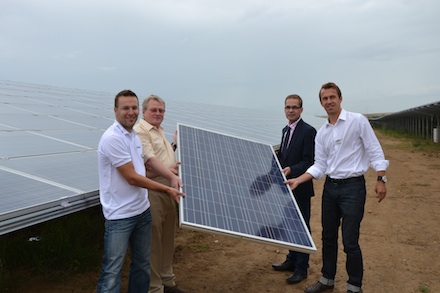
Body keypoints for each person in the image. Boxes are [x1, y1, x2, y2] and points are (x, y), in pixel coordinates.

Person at [285, 82, 389, 293]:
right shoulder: (322, 132)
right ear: (321, 103)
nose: (329, 101)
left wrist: (381, 178)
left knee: (350, 241)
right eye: (325, 99)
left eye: (332, 97)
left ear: (340, 99)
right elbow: (319, 165)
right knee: (328, 237)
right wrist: (299, 179)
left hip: (353, 188)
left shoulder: (357, 121)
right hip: (330, 189)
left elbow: (374, 149)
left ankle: (354, 286)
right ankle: (327, 279)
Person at [97, 90, 185, 293]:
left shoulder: (133, 136)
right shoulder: (114, 138)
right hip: (121, 214)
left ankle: (158, 284)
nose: (130, 112)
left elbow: (143, 168)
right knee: (112, 270)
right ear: (115, 110)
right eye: (125, 108)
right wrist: (168, 181)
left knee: (142, 264)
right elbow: (133, 177)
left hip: (141, 209)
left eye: (133, 108)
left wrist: (174, 146)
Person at [133, 95, 186, 293]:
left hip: (168, 191)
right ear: (144, 111)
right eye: (154, 110)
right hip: (152, 192)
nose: (158, 114)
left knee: (167, 239)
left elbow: (163, 160)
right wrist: (170, 173)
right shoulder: (140, 132)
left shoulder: (159, 131)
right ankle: (154, 287)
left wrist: (174, 146)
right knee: (154, 242)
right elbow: (148, 164)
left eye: (161, 111)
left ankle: (167, 280)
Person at [271, 94, 317, 285]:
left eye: (295, 107)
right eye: (288, 107)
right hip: (286, 188)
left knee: (302, 227)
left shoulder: (308, 131)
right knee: (289, 225)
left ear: (301, 110)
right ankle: (291, 260)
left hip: (301, 186)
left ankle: (301, 268)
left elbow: (309, 160)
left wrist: (292, 170)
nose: (291, 110)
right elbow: (284, 155)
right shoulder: (285, 130)